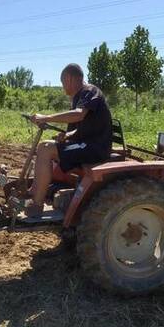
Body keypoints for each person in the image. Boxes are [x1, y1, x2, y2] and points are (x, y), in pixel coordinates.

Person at [27, 63, 112, 217]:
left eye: (62, 82)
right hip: (86, 144)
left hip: (94, 148)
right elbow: (86, 126)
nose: (63, 87)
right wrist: (68, 135)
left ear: (69, 78)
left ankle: (37, 204)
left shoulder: (90, 91)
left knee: (46, 149)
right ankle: (34, 191)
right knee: (44, 146)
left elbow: (79, 114)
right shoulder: (80, 96)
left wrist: (46, 117)